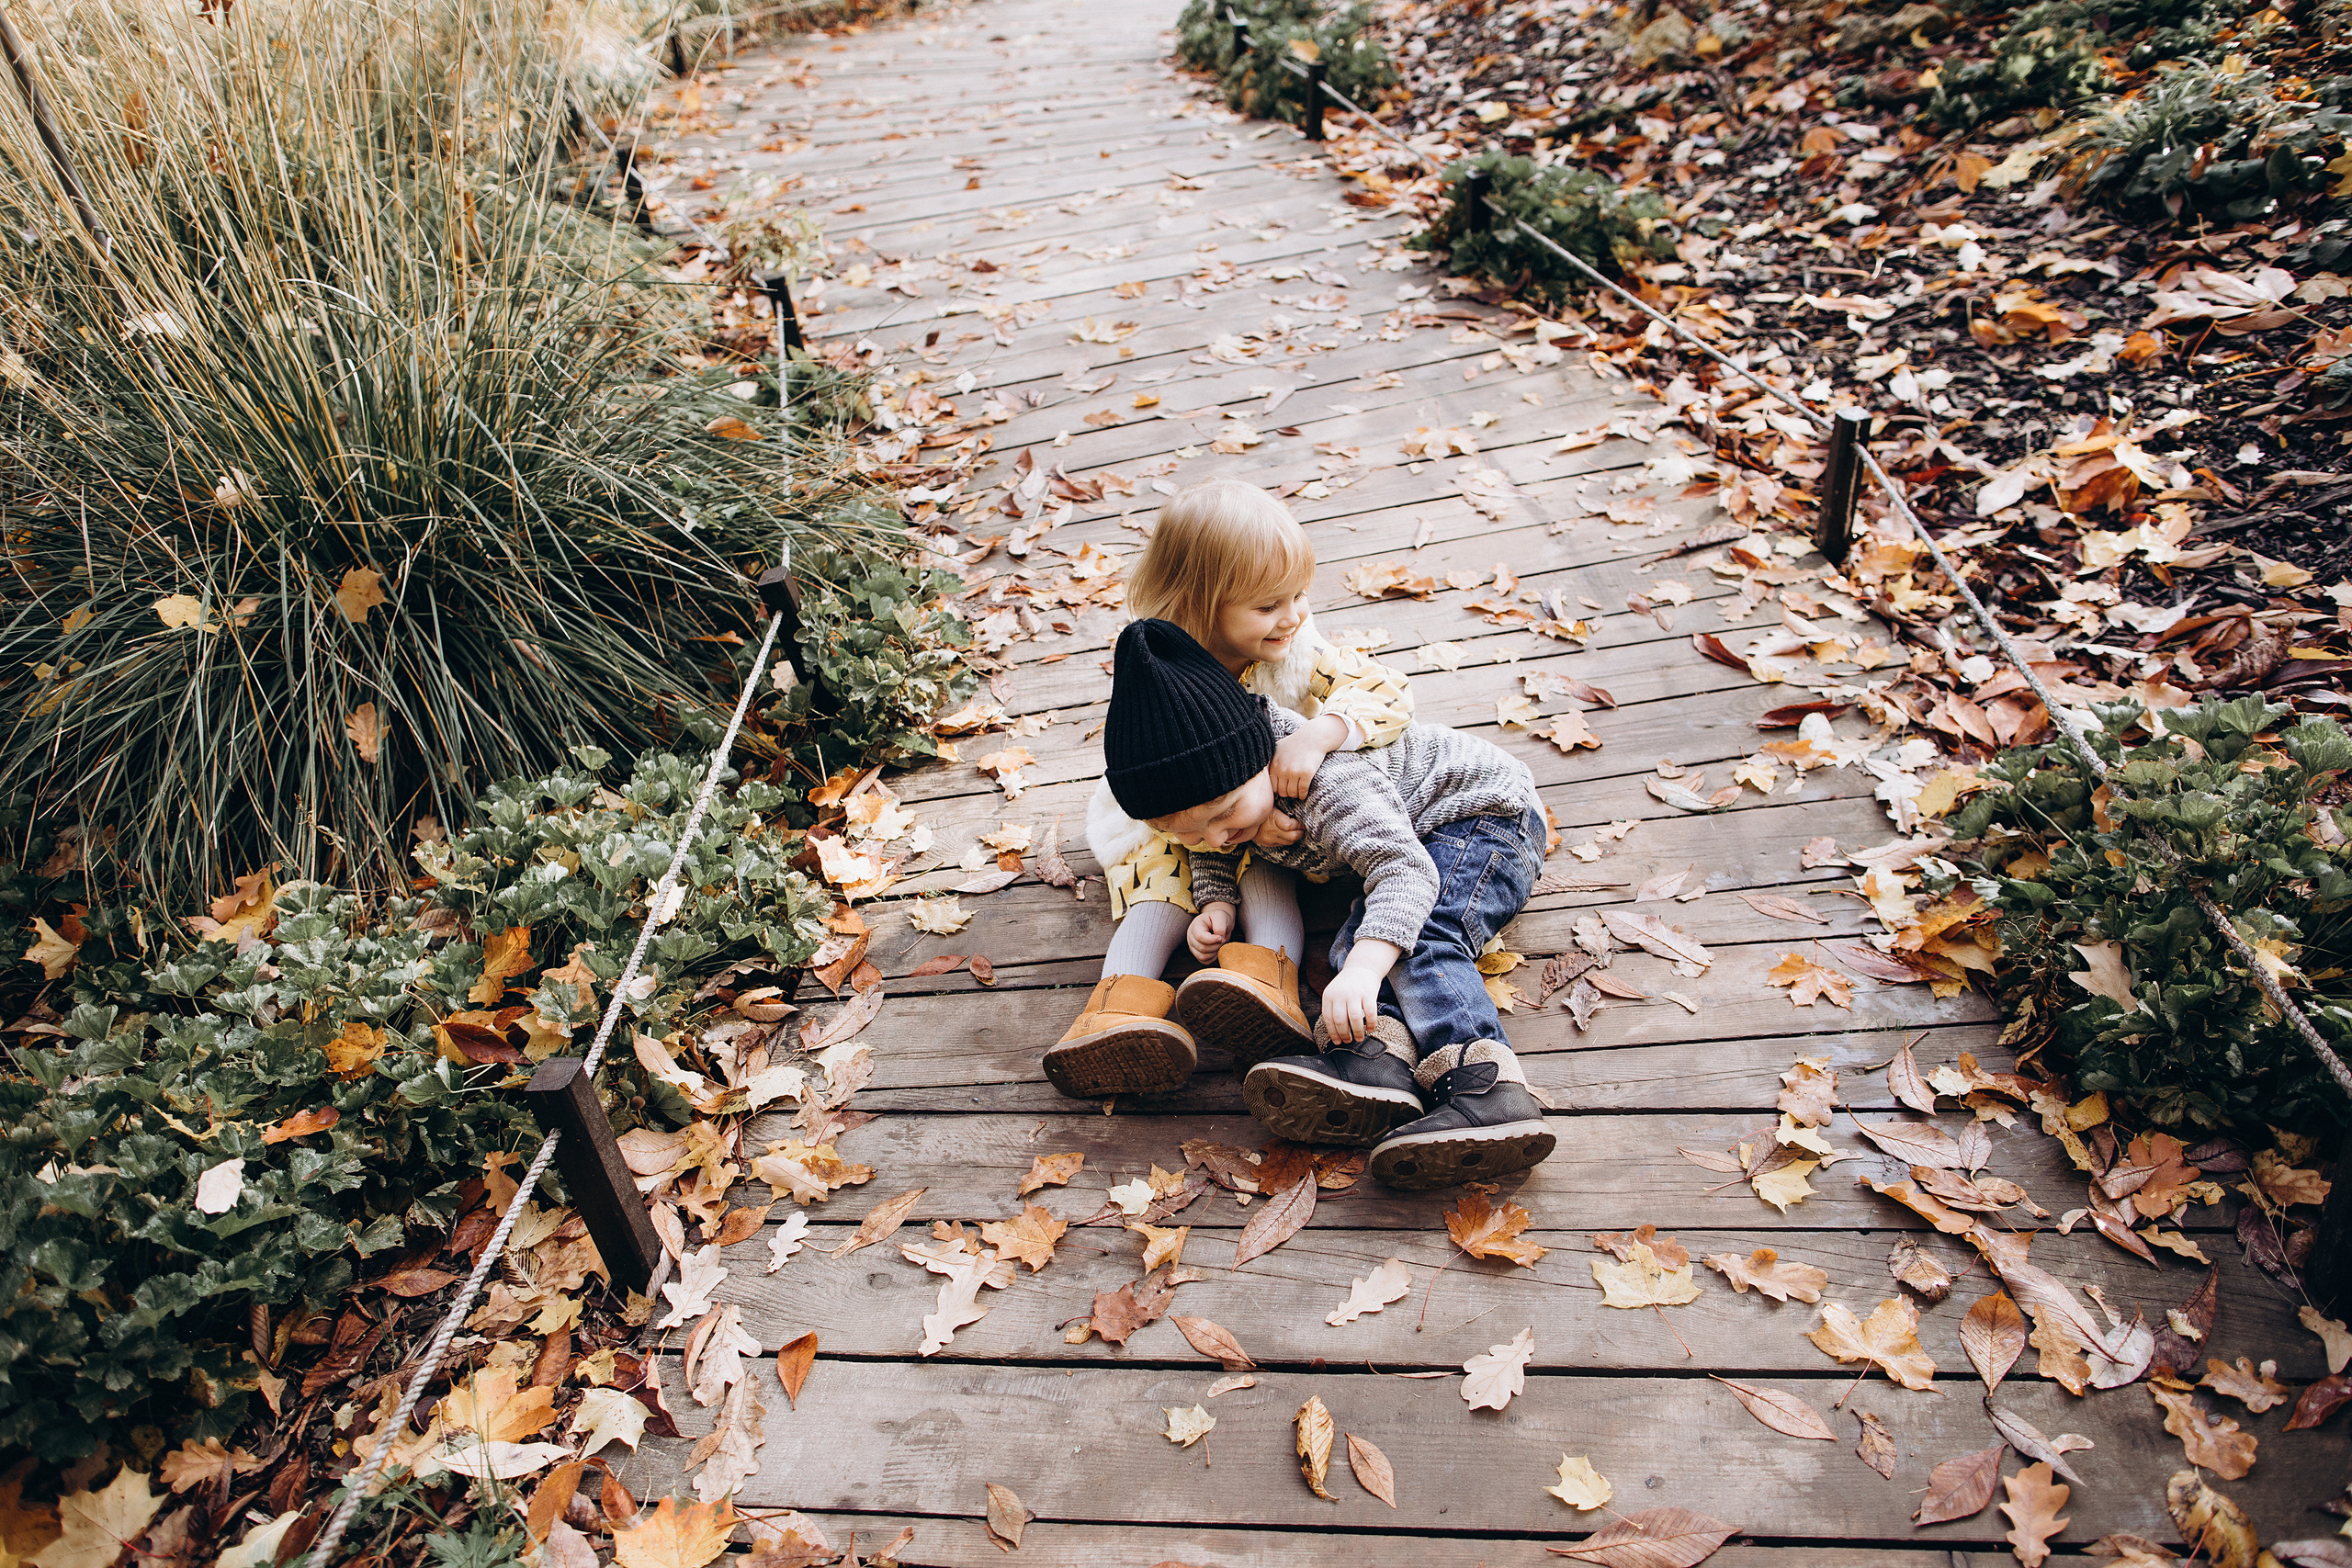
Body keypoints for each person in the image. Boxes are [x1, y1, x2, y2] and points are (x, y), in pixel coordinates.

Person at [1097, 617, 1555, 1190]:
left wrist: (1364, 970)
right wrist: (1216, 897)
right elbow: (1206, 839)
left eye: (1226, 814)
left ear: (1259, 759)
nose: (1216, 836)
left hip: (1482, 818)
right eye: (1196, 832)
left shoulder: (1326, 785)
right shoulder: (1225, 807)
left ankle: (1486, 1086)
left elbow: (1405, 871)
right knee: (1356, 938)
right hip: (1420, 836)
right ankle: (1376, 1061)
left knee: (1419, 940)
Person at [1044, 479, 1415, 1100]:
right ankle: (1113, 1010)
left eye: (1298, 595)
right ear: (1200, 602)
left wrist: (1318, 735)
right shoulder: (1158, 663)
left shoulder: (1295, 651)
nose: (1293, 615)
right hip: (1175, 813)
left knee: (1270, 861)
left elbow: (1385, 688)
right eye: (1270, 605)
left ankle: (1266, 983)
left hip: (1266, 808)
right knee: (1164, 877)